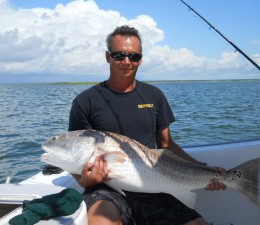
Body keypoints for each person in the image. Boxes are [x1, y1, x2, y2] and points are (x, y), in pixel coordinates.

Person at [69, 25, 226, 225]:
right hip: (106, 188)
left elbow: (167, 145)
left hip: (154, 183)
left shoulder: (154, 95)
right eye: (119, 55)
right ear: (108, 56)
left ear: (140, 59)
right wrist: (85, 181)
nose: (127, 62)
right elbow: (74, 153)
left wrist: (203, 169)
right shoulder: (86, 101)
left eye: (133, 56)